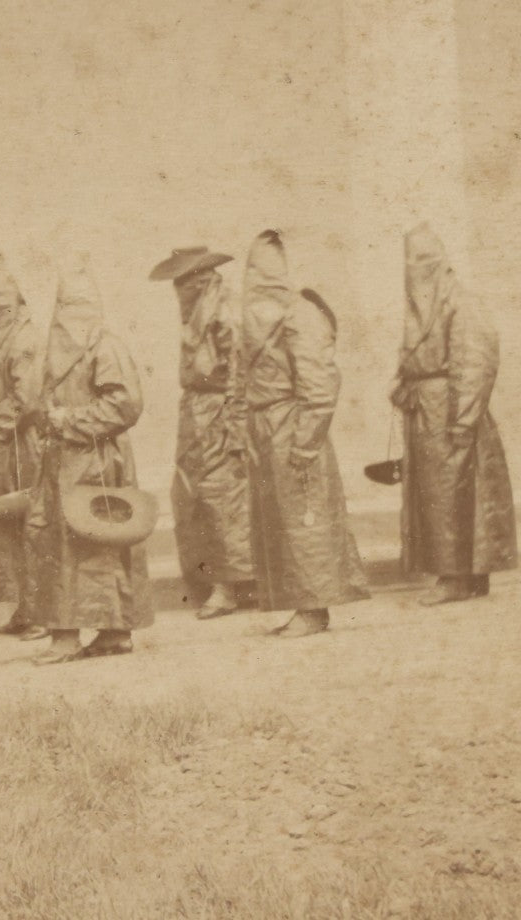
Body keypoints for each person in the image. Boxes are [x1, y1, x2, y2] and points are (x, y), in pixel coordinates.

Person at [240, 230, 368, 637]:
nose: (253, 283)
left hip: (293, 427)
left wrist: (305, 442)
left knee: (305, 521)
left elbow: (320, 387)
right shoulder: (264, 318)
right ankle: (301, 605)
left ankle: (314, 610)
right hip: (267, 428)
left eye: (262, 273)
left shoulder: (299, 315)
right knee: (282, 521)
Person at [24, 261, 152, 664]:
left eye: (82, 305)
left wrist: (71, 420)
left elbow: (126, 404)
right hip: (61, 458)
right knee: (61, 544)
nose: (73, 316)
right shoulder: (52, 351)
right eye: (67, 305)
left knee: (99, 542)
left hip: (97, 459)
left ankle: (102, 633)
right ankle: (82, 631)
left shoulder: (106, 346)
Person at [392, 223, 518, 605]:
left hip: (451, 411)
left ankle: (457, 578)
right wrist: (405, 385)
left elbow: (477, 361)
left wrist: (463, 419)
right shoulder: (421, 307)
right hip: (427, 411)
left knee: (454, 493)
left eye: (423, 258)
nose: (415, 267)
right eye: (410, 258)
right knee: (438, 494)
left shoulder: (462, 302)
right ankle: (465, 576)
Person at [148, 246, 253, 619]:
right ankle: (211, 579)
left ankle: (229, 586)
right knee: (191, 497)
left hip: (220, 414)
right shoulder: (197, 313)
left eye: (184, 281)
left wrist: (235, 426)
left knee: (221, 496)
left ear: (201, 279)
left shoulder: (224, 312)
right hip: (196, 414)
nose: (179, 290)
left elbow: (240, 375)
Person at [0, 252, 45, 640]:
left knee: (28, 522)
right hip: (2, 445)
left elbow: (28, 398)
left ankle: (39, 611)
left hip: (22, 442)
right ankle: (22, 606)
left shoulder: (23, 338)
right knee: (5, 522)